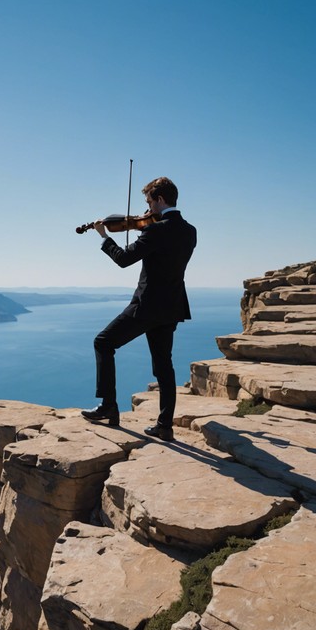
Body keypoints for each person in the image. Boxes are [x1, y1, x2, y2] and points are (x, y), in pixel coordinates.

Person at [81, 176, 197, 441]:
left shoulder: (155, 230)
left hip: (146, 306)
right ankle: (164, 426)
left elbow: (123, 259)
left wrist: (104, 236)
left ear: (159, 200)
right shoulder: (190, 230)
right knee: (164, 366)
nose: (147, 209)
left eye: (149, 202)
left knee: (103, 342)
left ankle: (109, 407)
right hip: (173, 306)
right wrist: (143, 227)